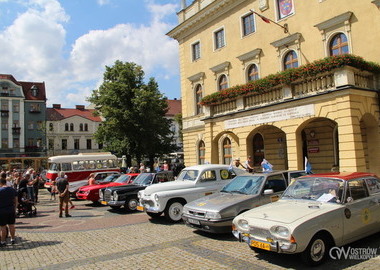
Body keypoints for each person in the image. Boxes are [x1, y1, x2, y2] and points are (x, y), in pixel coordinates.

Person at [0, 174, 17, 247]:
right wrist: (15, 208)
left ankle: (3, 241)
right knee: (12, 225)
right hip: (11, 209)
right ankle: (13, 239)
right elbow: (16, 200)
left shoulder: (0, 190)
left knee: (3, 227)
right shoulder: (12, 189)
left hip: (2, 210)